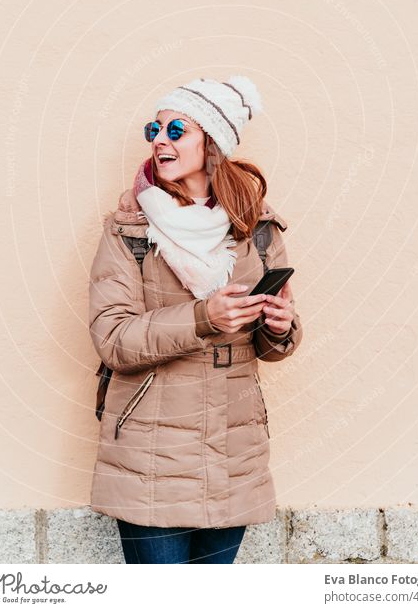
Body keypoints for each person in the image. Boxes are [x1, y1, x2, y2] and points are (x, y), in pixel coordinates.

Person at [88, 75, 303, 564]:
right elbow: (112, 337)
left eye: (176, 129)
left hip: (234, 450)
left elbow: (274, 346)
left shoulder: (257, 227)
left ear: (213, 142)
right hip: (150, 453)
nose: (160, 141)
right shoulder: (129, 231)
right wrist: (205, 317)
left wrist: (278, 326)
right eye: (154, 130)